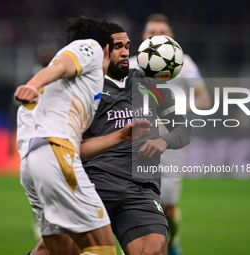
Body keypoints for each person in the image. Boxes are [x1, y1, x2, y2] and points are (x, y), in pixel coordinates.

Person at [28, 21, 192, 255]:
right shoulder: (82, 90)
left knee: (154, 250)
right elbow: (70, 147)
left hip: (141, 189)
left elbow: (183, 129)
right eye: (118, 47)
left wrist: (163, 141)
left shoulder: (151, 84)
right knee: (53, 251)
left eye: (127, 45)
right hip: (92, 185)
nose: (126, 52)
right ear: (103, 50)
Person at [15, 16, 118, 255]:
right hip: (56, 154)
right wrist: (32, 84)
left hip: (33, 164)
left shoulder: (67, 89)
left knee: (59, 252)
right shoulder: (91, 47)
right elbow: (61, 66)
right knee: (102, 249)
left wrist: (121, 136)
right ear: (106, 49)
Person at [129, 13, 212, 255]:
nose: (156, 36)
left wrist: (170, 114)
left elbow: (204, 99)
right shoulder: (131, 64)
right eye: (151, 32)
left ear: (172, 38)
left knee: (167, 206)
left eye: (161, 32)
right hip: (136, 145)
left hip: (169, 145)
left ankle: (173, 241)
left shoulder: (185, 63)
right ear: (144, 37)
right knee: (135, 204)